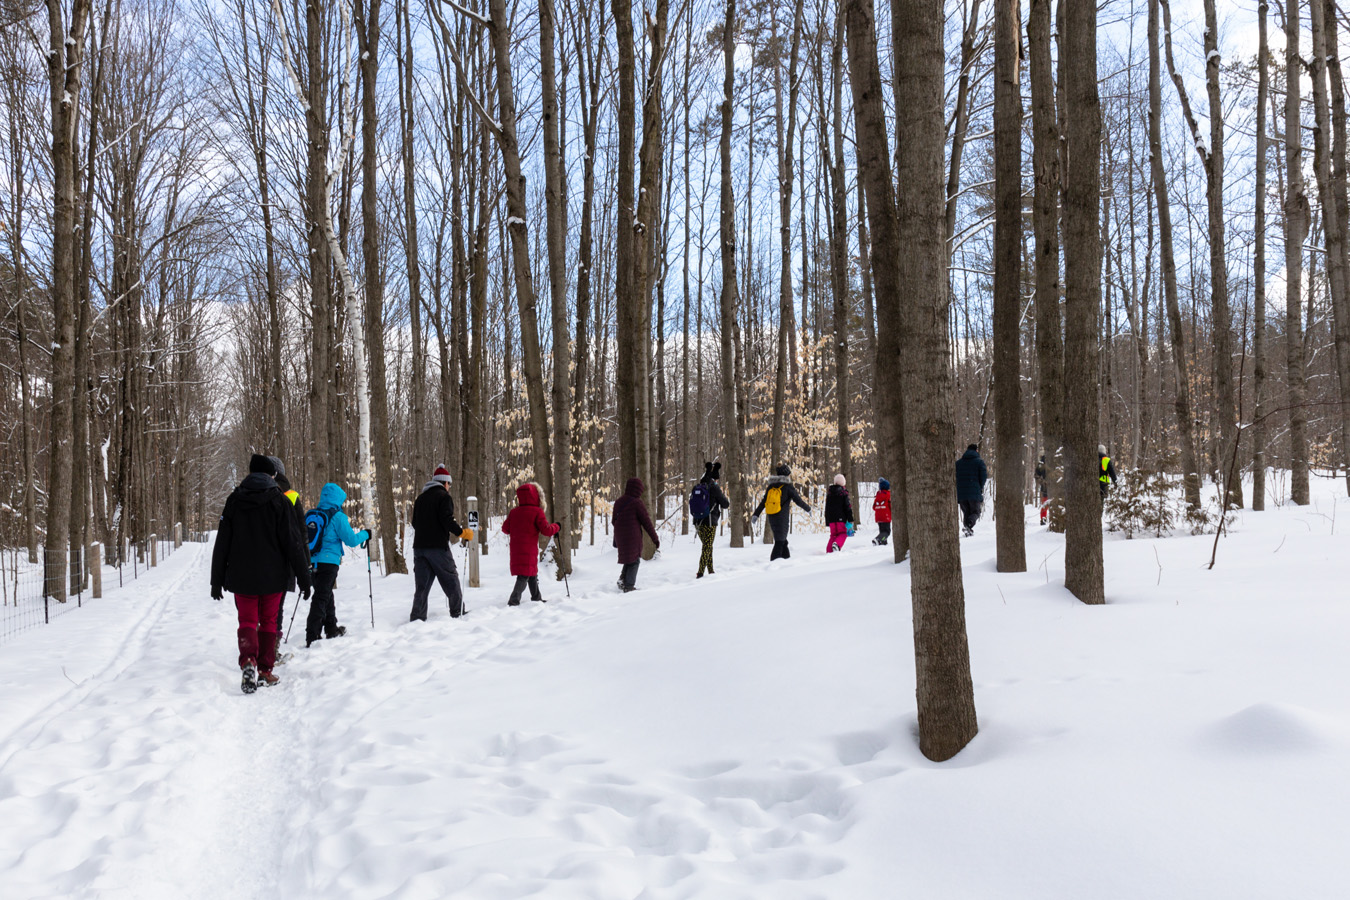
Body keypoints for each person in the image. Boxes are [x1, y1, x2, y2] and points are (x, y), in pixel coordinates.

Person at [210, 453, 312, 694]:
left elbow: (222, 541)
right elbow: (293, 542)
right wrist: (304, 578)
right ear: (272, 475)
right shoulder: (280, 501)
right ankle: (265, 670)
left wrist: (216, 580)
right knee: (268, 621)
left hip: (241, 575)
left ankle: (248, 661)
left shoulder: (234, 499)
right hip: (273, 576)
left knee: (246, 620)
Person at [305, 482, 370, 647]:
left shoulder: (312, 514)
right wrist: (366, 534)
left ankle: (331, 628)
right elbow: (352, 540)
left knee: (326, 594)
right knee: (321, 596)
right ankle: (312, 636)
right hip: (329, 562)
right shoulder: (338, 516)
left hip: (312, 561)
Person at [410, 465, 473, 620]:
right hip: (438, 548)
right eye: (449, 484)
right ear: (444, 483)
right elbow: (447, 520)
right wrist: (461, 532)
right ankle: (457, 612)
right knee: (451, 579)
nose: (449, 487)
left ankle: (417, 618)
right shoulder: (443, 497)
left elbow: (414, 522)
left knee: (422, 586)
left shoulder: (420, 498)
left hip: (419, 548)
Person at [501, 482, 560, 605]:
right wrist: (557, 526)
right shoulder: (537, 511)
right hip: (529, 549)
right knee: (524, 575)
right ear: (536, 496)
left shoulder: (514, 512)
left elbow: (505, 529)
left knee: (531, 572)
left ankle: (536, 597)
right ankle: (513, 600)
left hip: (516, 549)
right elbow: (547, 530)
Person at [272, 460, 305, 663]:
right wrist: (304, 563)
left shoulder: (252, 492)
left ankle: (259, 649)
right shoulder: (291, 496)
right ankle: (271, 650)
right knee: (276, 607)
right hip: (284, 561)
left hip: (258, 561)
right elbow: (301, 533)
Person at [751, 464, 812, 560]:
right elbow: (798, 501)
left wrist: (756, 514)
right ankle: (773, 564)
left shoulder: (771, 486)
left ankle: (786, 562)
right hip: (782, 518)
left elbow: (763, 502)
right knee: (780, 542)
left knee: (783, 541)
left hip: (772, 516)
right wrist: (808, 509)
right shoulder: (788, 487)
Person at [613, 476, 660, 592]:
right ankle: (629, 586)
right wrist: (655, 539)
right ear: (638, 489)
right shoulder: (637, 503)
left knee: (629, 558)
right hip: (633, 537)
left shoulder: (618, 502)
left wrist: (621, 531)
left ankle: (622, 580)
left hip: (620, 536)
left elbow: (614, 520)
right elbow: (647, 522)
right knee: (634, 561)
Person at [691, 461, 730, 578]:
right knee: (707, 546)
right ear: (715, 479)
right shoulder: (714, 488)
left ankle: (711, 570)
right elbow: (725, 504)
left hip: (697, 521)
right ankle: (700, 572)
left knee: (708, 545)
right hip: (709, 522)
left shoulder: (697, 486)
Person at [955, 444, 988, 537]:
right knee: (976, 512)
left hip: (962, 494)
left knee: (966, 512)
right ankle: (969, 525)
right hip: (974, 492)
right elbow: (983, 477)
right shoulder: (979, 462)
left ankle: (967, 529)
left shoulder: (958, 463)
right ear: (976, 450)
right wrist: (979, 487)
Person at [824, 474, 854, 553]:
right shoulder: (844, 493)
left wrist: (827, 520)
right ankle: (837, 545)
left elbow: (827, 508)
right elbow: (848, 507)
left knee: (833, 535)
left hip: (831, 520)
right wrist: (850, 519)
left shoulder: (830, 493)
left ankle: (829, 550)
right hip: (841, 519)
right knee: (843, 533)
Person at [872, 477, 892, 546]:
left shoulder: (878, 495)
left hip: (878, 517)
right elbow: (890, 505)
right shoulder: (888, 495)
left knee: (882, 531)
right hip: (886, 516)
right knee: (887, 531)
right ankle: (879, 539)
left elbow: (874, 507)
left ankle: (883, 543)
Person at [1035, 455, 1049, 525]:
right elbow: (1036, 475)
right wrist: (1042, 482)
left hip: (1058, 487)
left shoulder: (1058, 455)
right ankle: (1043, 519)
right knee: (1045, 504)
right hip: (1045, 488)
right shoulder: (1042, 462)